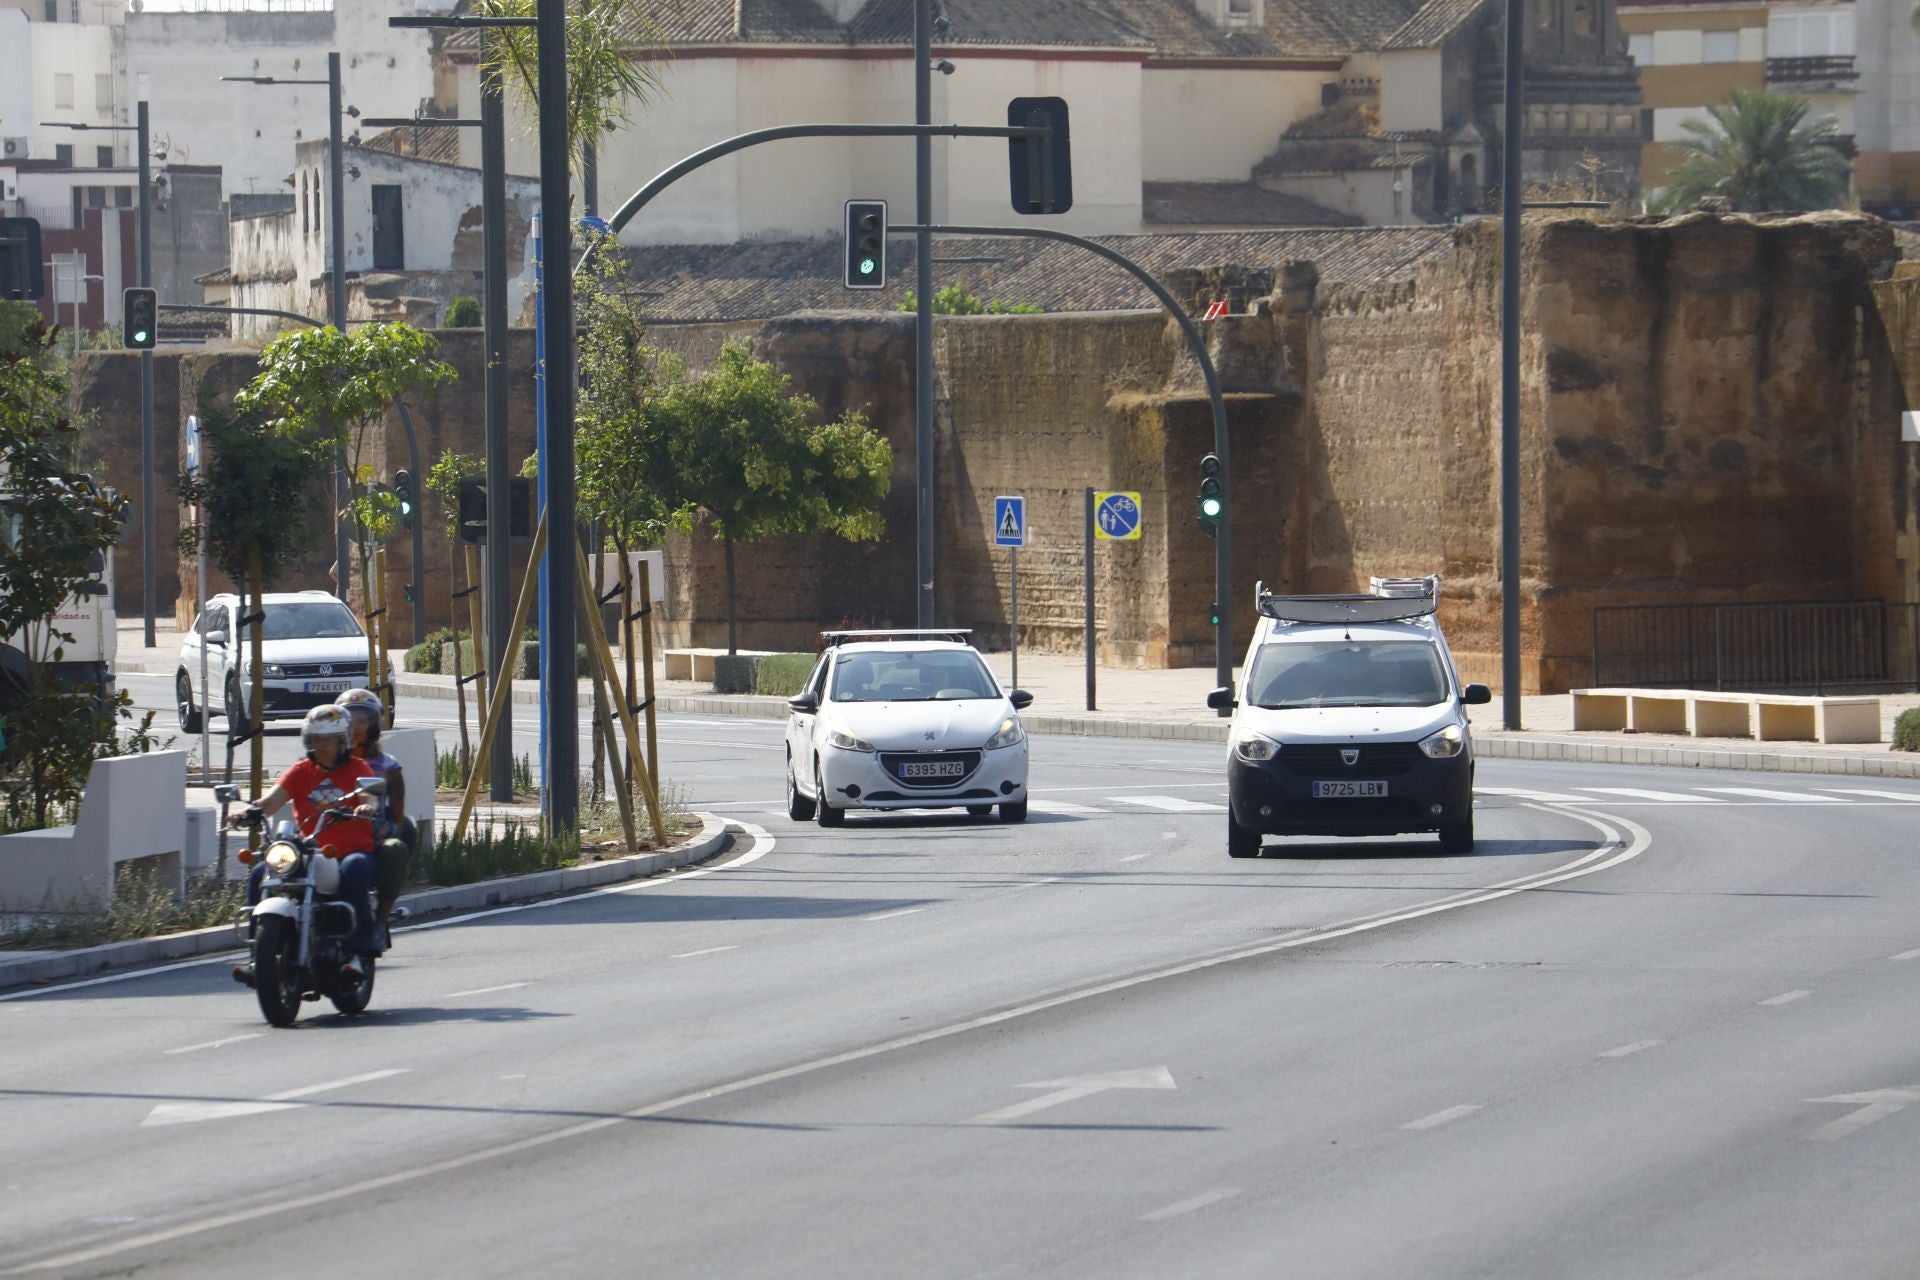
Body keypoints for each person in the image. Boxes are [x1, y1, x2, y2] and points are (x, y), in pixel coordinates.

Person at [231, 703, 401, 981]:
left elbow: (370, 795)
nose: (322, 746)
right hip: (309, 851)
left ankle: (354, 954)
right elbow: (271, 801)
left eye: (329, 740)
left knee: (355, 869)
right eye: (316, 739)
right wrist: (247, 813)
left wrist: (366, 807)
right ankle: (256, 957)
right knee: (261, 872)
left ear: (343, 740)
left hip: (351, 852)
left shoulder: (359, 767)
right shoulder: (301, 771)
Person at [335, 687, 412, 942]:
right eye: (349, 720)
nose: (355, 727)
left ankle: (380, 921)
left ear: (374, 725)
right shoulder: (327, 760)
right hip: (331, 832)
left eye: (362, 720)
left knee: (395, 848)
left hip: (373, 832)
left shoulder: (388, 767)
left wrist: (384, 834)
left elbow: (398, 815)